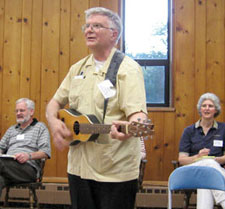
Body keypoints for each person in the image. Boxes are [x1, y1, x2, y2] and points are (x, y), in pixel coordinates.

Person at [46, 7, 148, 209]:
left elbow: (139, 118)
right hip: (78, 167)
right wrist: (53, 122)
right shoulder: (78, 68)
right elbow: (54, 103)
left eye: (97, 26)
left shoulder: (128, 69)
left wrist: (130, 130)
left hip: (114, 169)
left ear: (114, 35)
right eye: (87, 26)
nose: (89, 30)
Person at [178, 92, 225, 209]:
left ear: (216, 110)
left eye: (210, 106)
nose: (207, 109)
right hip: (193, 172)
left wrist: (214, 160)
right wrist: (198, 157)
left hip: (211, 172)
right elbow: (182, 160)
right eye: (204, 106)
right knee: (207, 165)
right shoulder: (189, 131)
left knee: (206, 175)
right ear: (200, 109)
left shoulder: (223, 129)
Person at [0, 98, 51, 198]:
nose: (18, 113)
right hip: (7, 166)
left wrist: (28, 156)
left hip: (27, 168)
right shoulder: (11, 129)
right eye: (17, 111)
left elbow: (45, 152)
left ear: (31, 111)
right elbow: (1, 147)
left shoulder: (40, 127)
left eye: (22, 110)